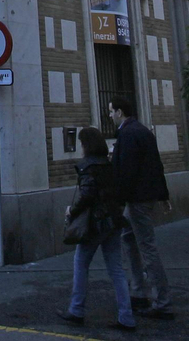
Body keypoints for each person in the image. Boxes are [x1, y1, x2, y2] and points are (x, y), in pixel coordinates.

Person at [58, 126, 134, 332]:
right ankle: (126, 316)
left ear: (86, 145)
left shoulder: (88, 167)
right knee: (116, 269)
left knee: (81, 263)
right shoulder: (109, 164)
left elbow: (86, 196)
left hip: (95, 224)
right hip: (114, 221)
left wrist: (71, 212)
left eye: (82, 144)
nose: (80, 148)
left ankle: (76, 310)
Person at [110, 98, 174, 320]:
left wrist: (119, 201)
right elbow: (156, 164)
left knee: (147, 248)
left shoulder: (127, 134)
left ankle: (162, 301)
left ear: (119, 112)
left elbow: (127, 171)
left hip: (136, 199)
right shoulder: (143, 131)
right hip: (144, 197)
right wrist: (163, 194)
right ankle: (138, 291)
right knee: (128, 238)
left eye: (111, 111)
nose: (110, 115)